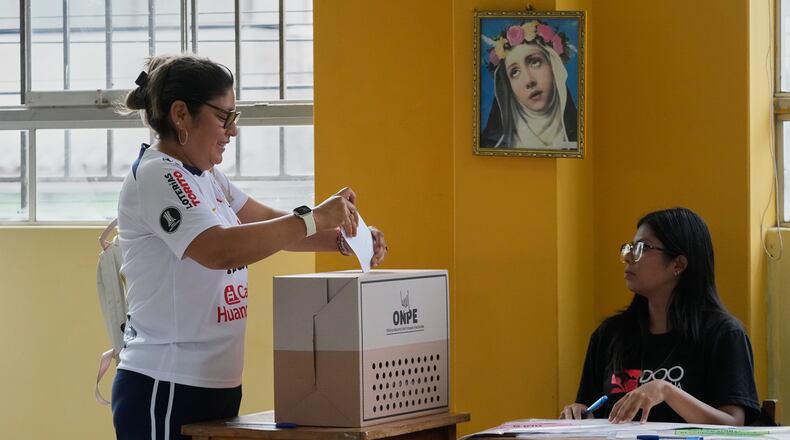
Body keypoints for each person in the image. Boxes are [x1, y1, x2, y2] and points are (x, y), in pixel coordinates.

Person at [111, 53, 388, 440]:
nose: (233, 131)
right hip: (166, 383)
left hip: (216, 381)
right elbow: (219, 250)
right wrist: (315, 217)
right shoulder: (158, 175)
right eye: (224, 117)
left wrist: (344, 237)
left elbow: (267, 223)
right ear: (180, 115)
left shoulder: (208, 177)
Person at [560, 207, 759, 425]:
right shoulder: (609, 335)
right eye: (630, 248)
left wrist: (666, 390)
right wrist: (580, 412)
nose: (627, 257)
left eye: (642, 248)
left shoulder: (724, 334)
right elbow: (592, 409)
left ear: (678, 264)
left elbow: (733, 423)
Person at [480, 20, 578, 149]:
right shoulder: (491, 146)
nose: (529, 81)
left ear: (554, 66)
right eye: (514, 72)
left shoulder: (583, 137)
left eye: (535, 62)